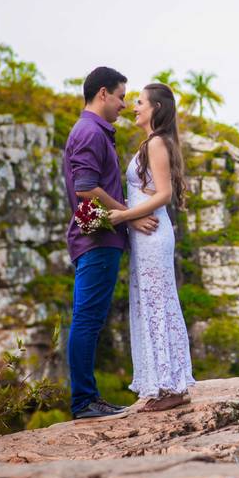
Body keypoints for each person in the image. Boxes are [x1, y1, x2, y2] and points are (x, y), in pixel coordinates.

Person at [63, 66, 160, 419]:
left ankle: (86, 399)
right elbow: (85, 187)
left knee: (88, 319)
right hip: (98, 237)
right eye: (121, 96)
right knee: (87, 320)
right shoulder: (90, 132)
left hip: (98, 236)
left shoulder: (93, 131)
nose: (124, 104)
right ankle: (84, 401)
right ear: (103, 93)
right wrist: (130, 214)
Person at [108, 83, 196, 411]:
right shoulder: (150, 142)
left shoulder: (157, 143)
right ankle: (163, 383)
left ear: (155, 108)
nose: (134, 107)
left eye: (141, 102)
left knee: (158, 305)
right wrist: (131, 221)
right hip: (144, 233)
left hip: (153, 233)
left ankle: (170, 387)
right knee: (149, 304)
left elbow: (163, 195)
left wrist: (124, 216)